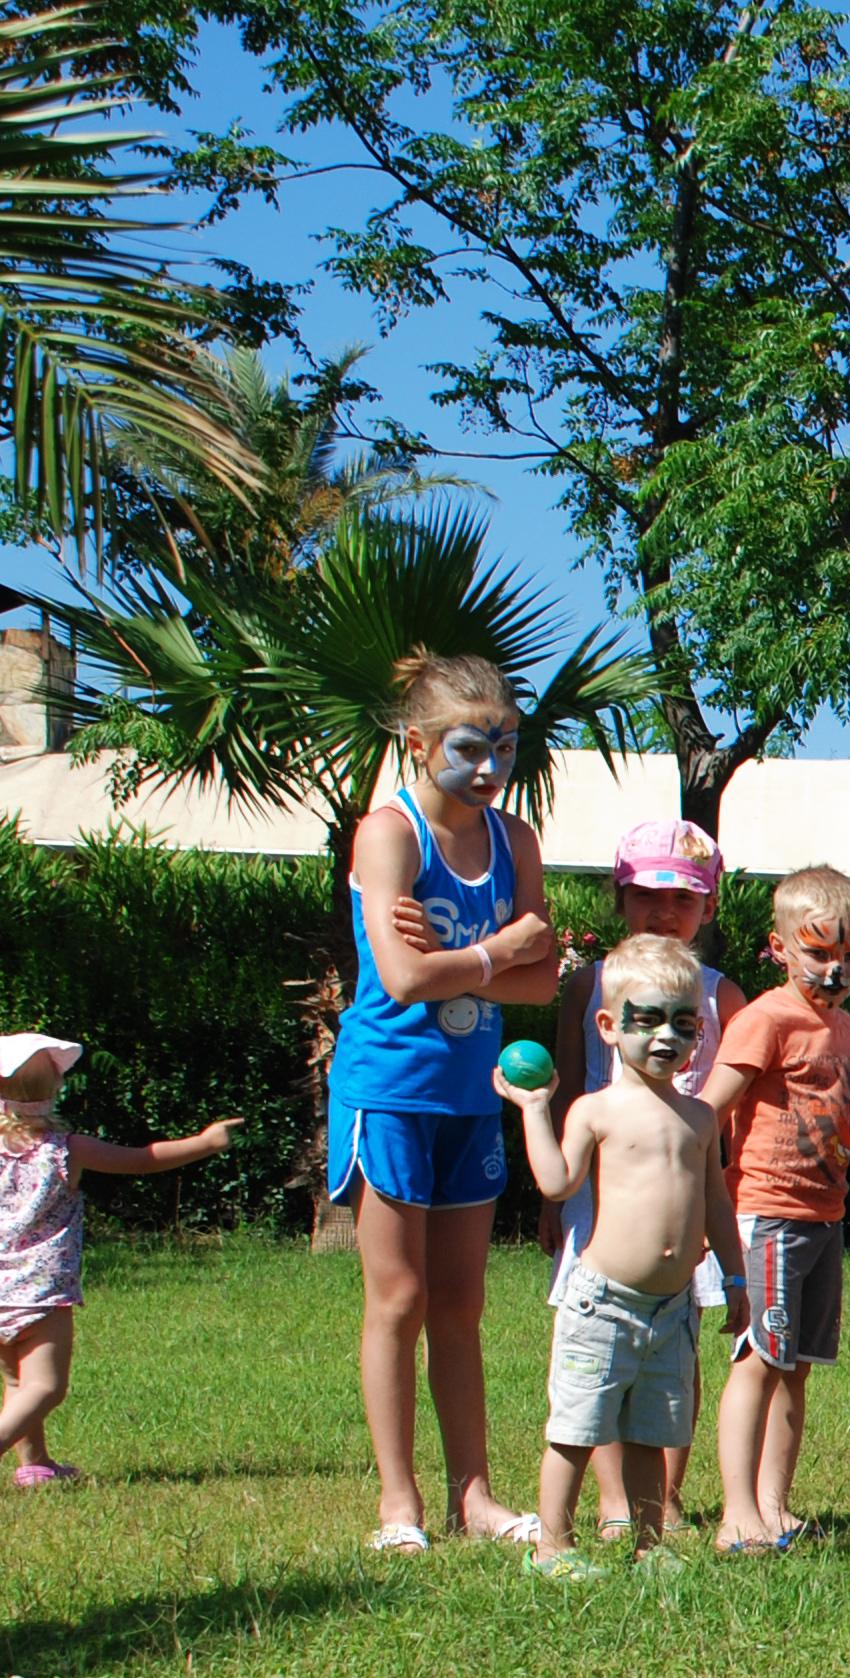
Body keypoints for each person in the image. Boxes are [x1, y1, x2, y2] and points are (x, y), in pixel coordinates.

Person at [332, 650, 564, 1552]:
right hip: (389, 1092)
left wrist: (466, 963)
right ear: (419, 741)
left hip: (474, 1097)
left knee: (461, 1303)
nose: (489, 767)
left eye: (504, 747)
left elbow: (544, 986)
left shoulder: (516, 842)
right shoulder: (388, 835)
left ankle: (475, 1497)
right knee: (398, 1298)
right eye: (470, 747)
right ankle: (401, 1505)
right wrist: (502, 947)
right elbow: (399, 980)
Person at [0, 1033, 240, 1491]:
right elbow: (143, 1159)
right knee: (47, 1387)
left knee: (20, 1384)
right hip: (42, 1290)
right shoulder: (67, 1149)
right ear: (55, 1088)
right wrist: (205, 1142)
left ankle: (36, 1464)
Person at [495, 934, 740, 1576]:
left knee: (651, 1434)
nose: (667, 1037)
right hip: (602, 1302)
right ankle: (552, 1544)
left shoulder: (699, 1118)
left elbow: (716, 1203)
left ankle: (649, 1545)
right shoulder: (594, 1110)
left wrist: (737, 1279)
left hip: (673, 1307)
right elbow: (556, 1182)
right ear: (607, 1026)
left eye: (684, 1024)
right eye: (648, 1020)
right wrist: (533, 1109)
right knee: (577, 1427)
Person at [543, 818, 736, 1541]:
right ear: (619, 897)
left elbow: (728, 1113)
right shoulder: (588, 987)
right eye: (648, 894)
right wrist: (549, 1199)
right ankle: (610, 1504)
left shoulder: (718, 994)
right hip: (603, 1191)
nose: (664, 911)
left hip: (682, 1187)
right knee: (602, 1362)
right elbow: (565, 1094)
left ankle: (666, 1500)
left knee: (671, 1361)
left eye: (682, 899)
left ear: (708, 908)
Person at [703, 866, 850, 1554]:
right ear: (780, 949)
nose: (836, 970)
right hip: (765, 1214)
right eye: (820, 953)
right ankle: (735, 1514)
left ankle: (774, 1508)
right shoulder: (765, 1020)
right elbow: (708, 1113)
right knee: (758, 1361)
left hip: (822, 1217)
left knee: (795, 1365)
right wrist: (699, 1206)